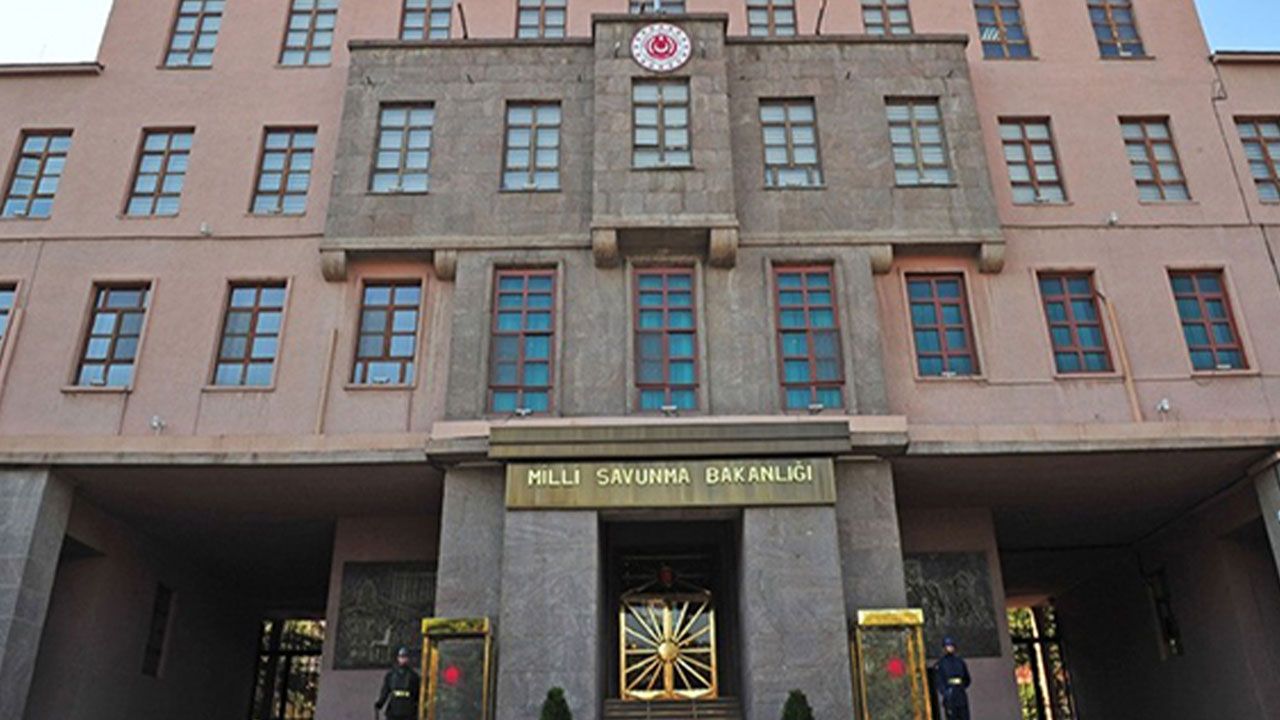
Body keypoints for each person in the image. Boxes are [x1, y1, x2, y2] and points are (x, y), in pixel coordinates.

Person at [375, 646, 421, 720]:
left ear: (408, 659)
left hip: (408, 710)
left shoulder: (414, 676)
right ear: (398, 658)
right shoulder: (391, 675)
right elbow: (385, 692)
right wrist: (379, 704)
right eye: (402, 657)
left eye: (405, 657)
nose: (403, 659)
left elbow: (417, 694)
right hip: (395, 710)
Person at [932, 636, 971, 720]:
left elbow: (967, 679)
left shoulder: (960, 662)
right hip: (950, 696)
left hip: (960, 694)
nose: (949, 648)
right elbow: (939, 681)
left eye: (951, 646)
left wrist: (961, 686)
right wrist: (946, 692)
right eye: (947, 646)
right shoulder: (941, 664)